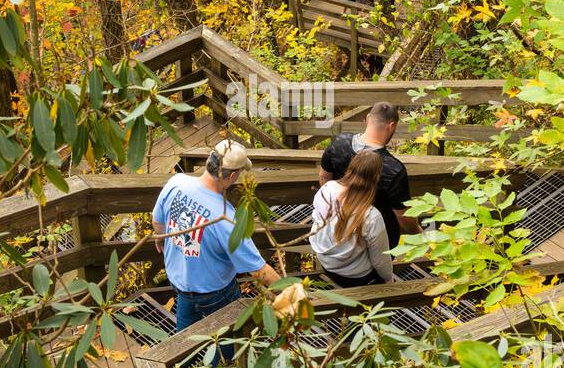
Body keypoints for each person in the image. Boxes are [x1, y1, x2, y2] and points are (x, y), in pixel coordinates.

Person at [152, 139, 280, 333]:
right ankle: (223, 360)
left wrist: (160, 236)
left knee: (186, 334)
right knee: (229, 336)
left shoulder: (176, 182)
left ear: (208, 161)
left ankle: (182, 358)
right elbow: (258, 270)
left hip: (180, 282)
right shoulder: (226, 218)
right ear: (233, 175)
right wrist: (292, 291)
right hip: (214, 292)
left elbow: (157, 221)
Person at [319, 102, 419, 251]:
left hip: (336, 233)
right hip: (377, 242)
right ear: (391, 126)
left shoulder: (339, 143)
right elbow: (403, 216)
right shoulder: (393, 169)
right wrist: (417, 231)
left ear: (367, 119)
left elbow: (324, 177)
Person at [310, 150, 394, 287]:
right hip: (356, 277)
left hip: (327, 264)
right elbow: (380, 260)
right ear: (376, 177)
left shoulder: (327, 188)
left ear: (350, 169)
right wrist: (388, 279)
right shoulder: (371, 215)